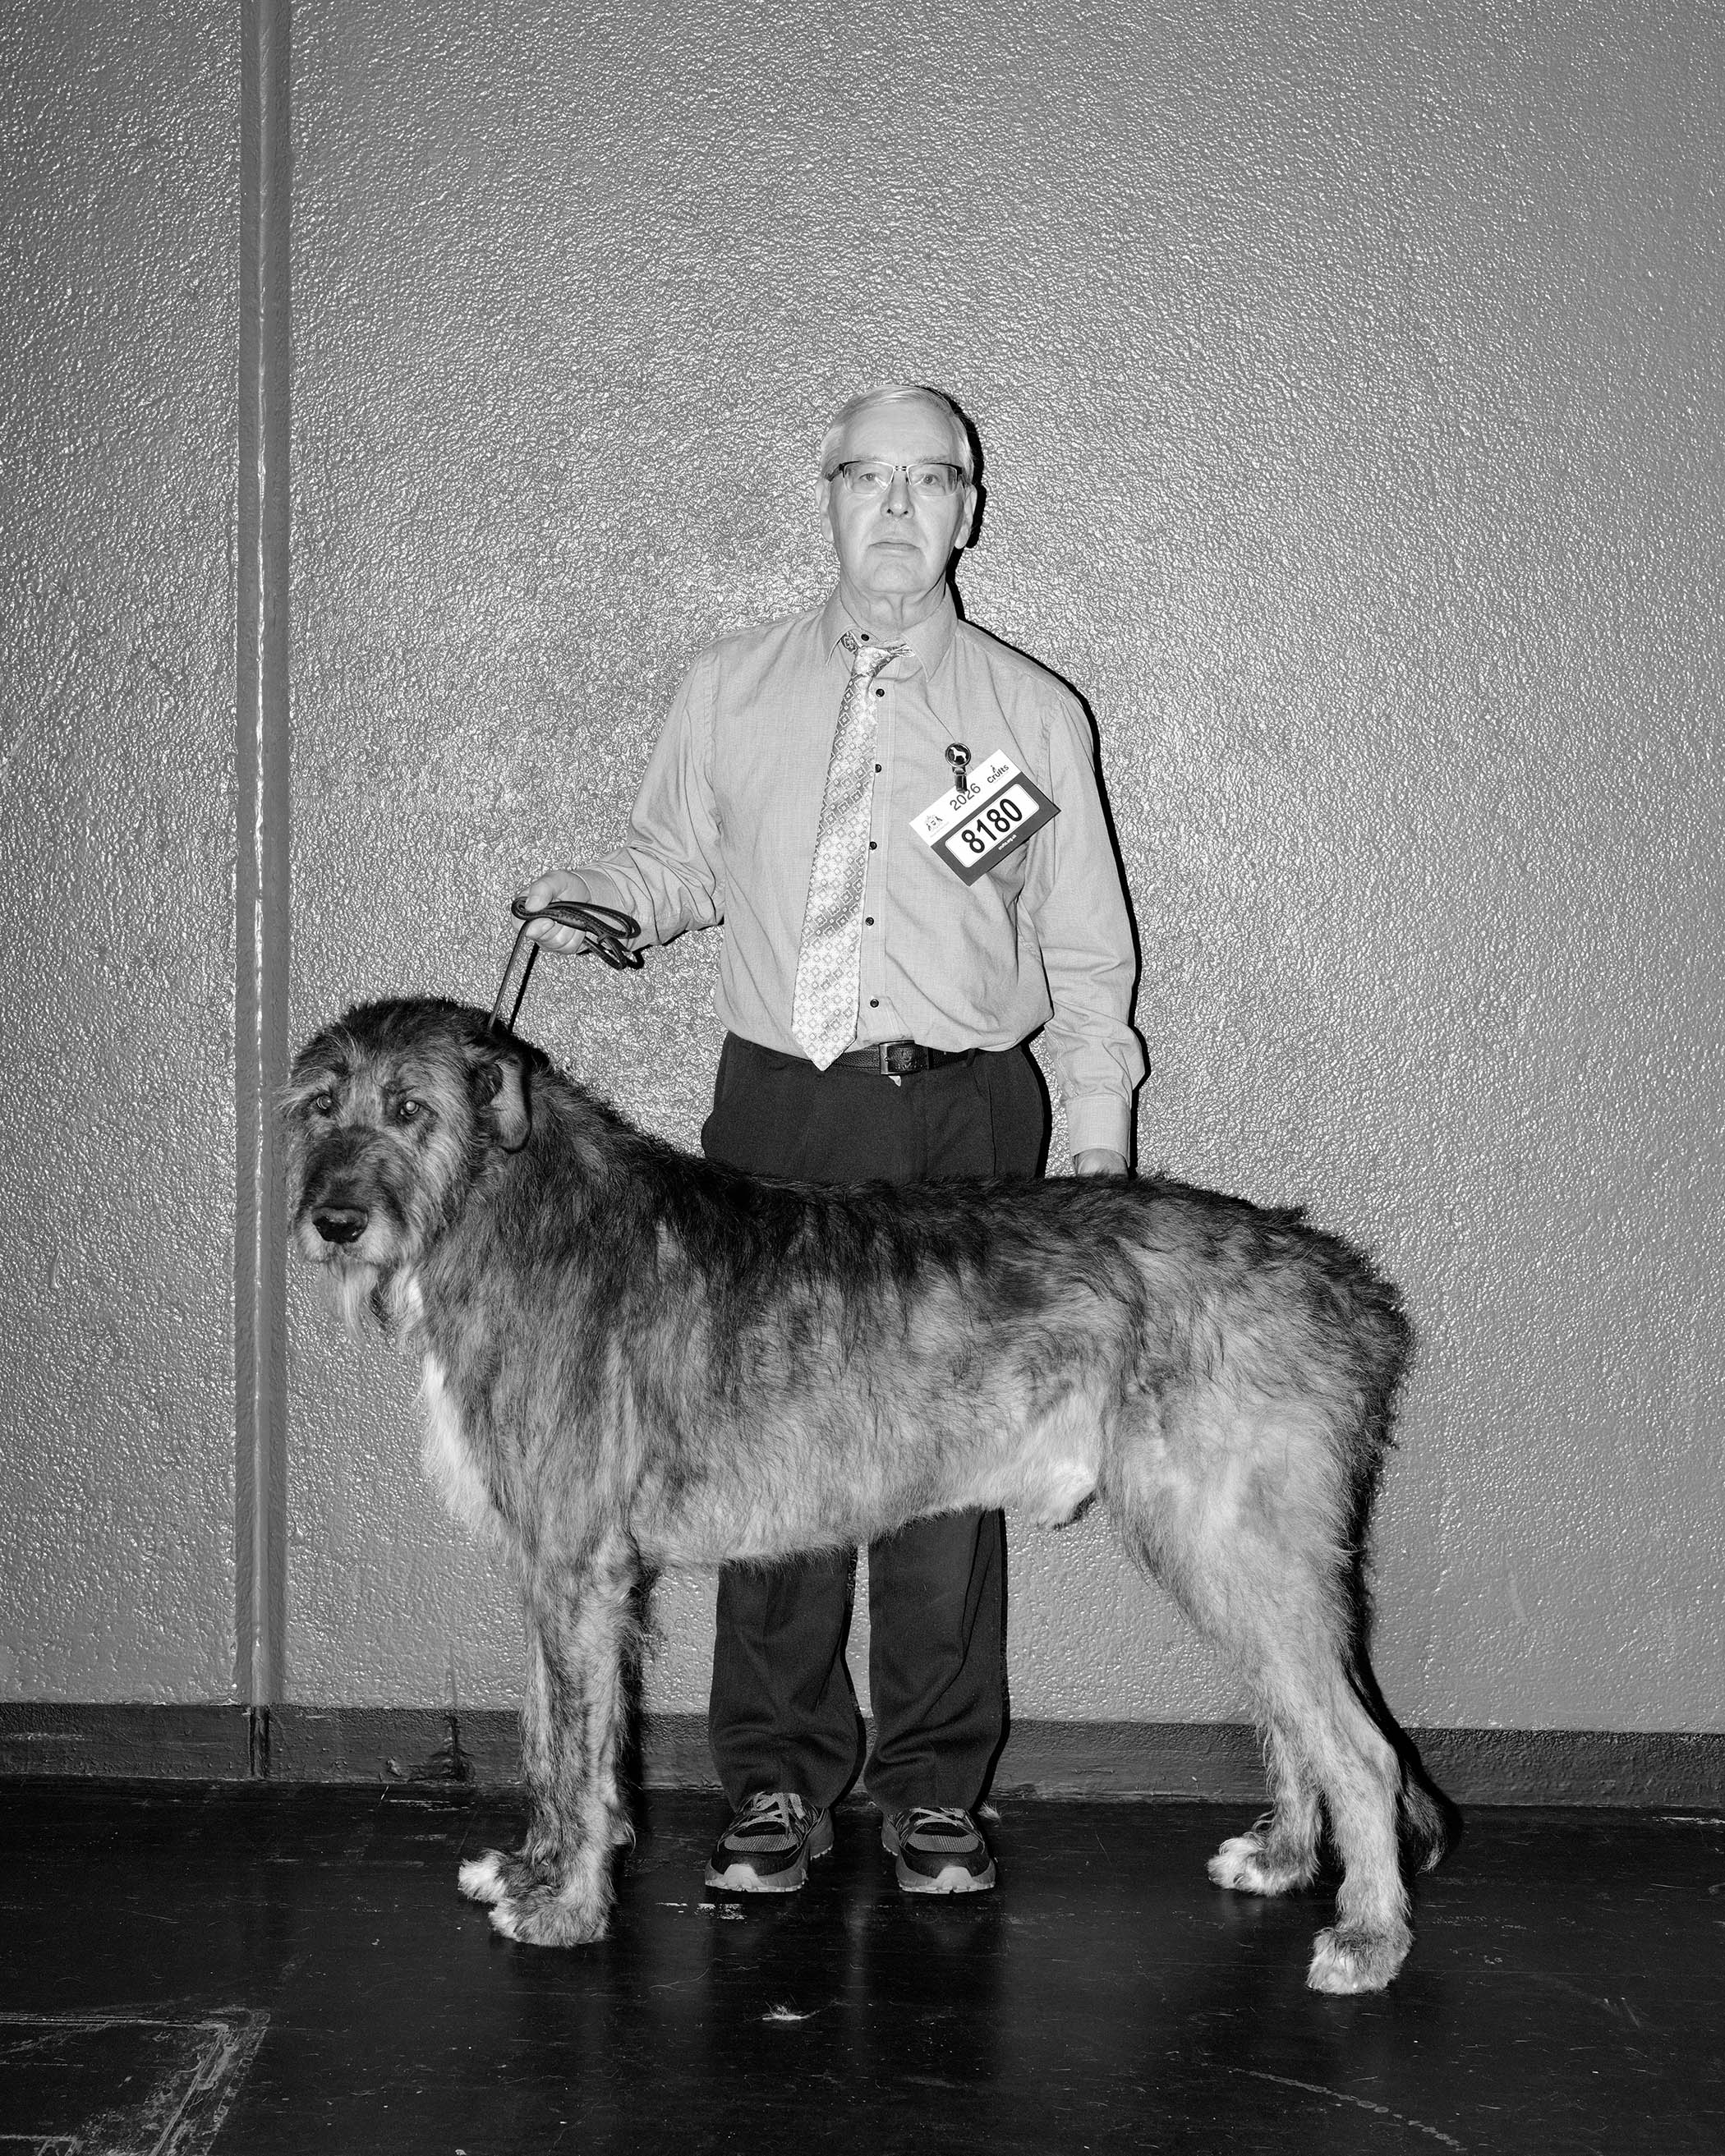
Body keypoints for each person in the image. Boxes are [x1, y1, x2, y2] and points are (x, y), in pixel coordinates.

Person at [521, 383, 1143, 1898]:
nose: (899, 507)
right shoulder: (727, 689)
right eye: (871, 477)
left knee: (954, 1464)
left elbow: (1086, 948)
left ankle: (936, 1787)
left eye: (933, 480)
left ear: (970, 510)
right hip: (783, 1105)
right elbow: (671, 861)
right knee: (765, 1452)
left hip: (967, 1114)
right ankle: (777, 1779)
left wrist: (1098, 1139)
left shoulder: (1030, 714)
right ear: (830, 497)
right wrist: (602, 898)